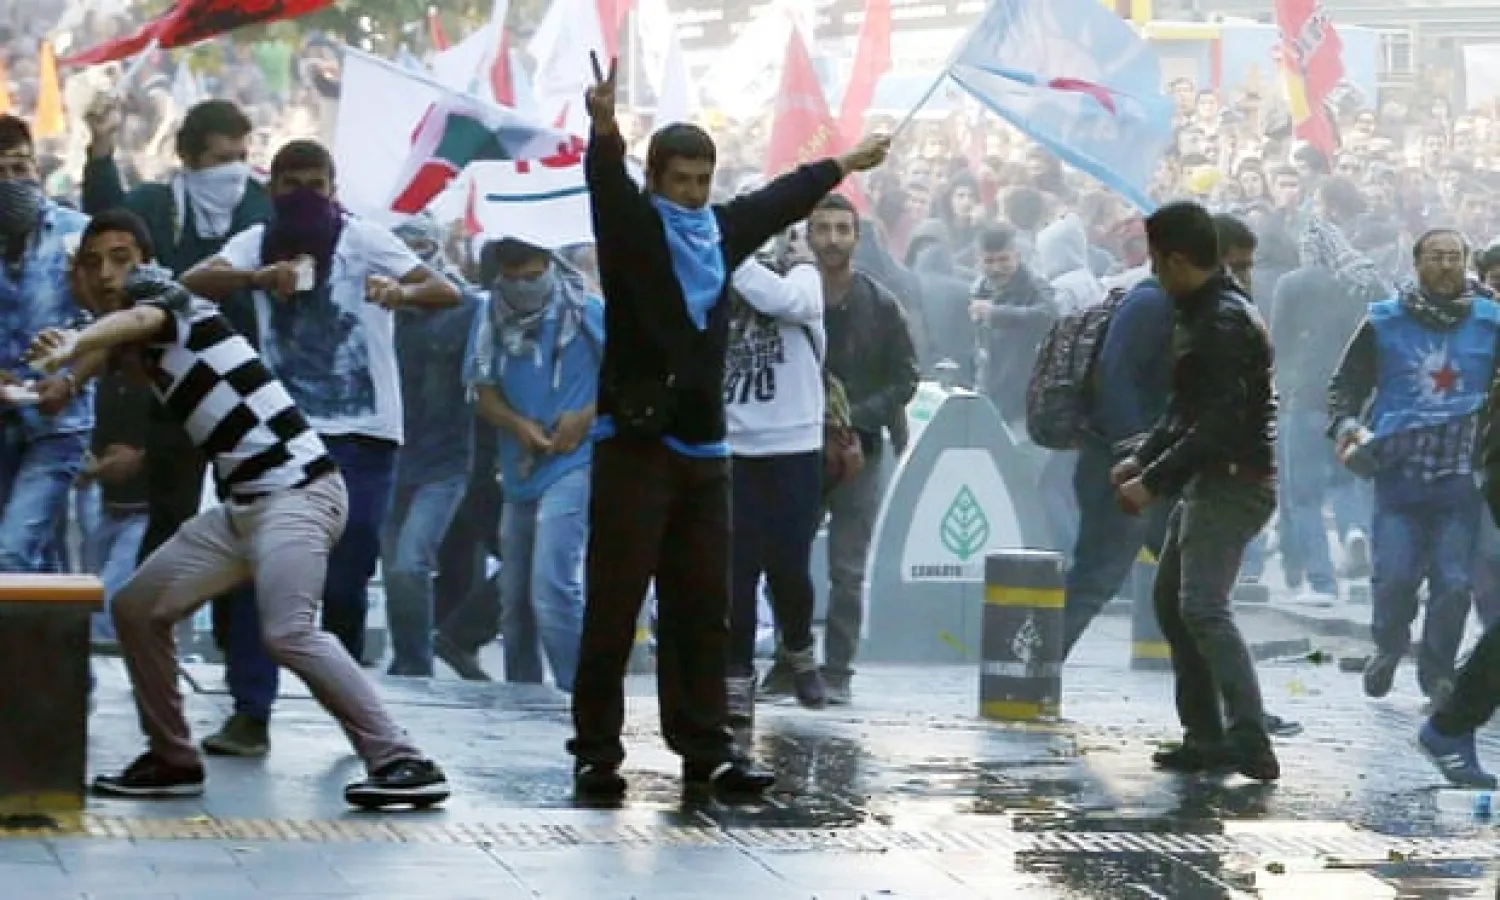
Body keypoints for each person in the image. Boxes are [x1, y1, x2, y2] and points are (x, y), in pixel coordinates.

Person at [31, 217, 448, 808]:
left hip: (300, 491)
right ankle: (172, 758)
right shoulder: (122, 334)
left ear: (146, 262)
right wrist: (59, 381)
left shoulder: (167, 295)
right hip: (243, 509)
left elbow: (136, 320)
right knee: (136, 608)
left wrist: (75, 346)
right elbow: (98, 355)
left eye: (121, 259)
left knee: (288, 631)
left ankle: (403, 759)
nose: (106, 275)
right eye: (93, 263)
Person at [567, 53, 890, 800]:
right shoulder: (631, 230)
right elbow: (603, 180)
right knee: (614, 607)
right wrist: (605, 124)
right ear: (656, 180)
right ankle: (596, 754)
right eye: (678, 179)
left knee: (701, 611)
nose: (690, 193)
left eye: (701, 180)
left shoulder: (720, 232)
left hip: (707, 451)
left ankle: (706, 750)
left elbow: (783, 197)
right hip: (635, 447)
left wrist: (845, 161)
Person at [180, 140, 460, 756]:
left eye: (315, 182)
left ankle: (349, 695)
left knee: (344, 578)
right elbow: (194, 281)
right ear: (272, 187)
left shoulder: (364, 241)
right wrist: (257, 279)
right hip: (278, 439)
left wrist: (400, 294)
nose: (303, 194)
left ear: (334, 187)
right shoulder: (256, 242)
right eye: (290, 183)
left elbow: (444, 290)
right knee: (260, 570)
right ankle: (250, 712)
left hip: (363, 437)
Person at [1114, 201, 1281, 782]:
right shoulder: (1202, 310)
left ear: (1178, 260)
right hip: (1212, 480)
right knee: (1172, 602)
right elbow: (1184, 408)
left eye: (1157, 263)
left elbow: (1218, 426)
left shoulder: (1222, 321)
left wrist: (1153, 482)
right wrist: (1143, 456)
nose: (1154, 275)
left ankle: (1249, 738)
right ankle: (1205, 734)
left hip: (1235, 483)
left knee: (1202, 606)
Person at [1327, 229, 1491, 707]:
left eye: (1455, 258)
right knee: (1395, 576)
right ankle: (1389, 644)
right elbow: (1344, 389)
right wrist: (1348, 430)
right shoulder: (1382, 321)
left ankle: (1437, 673)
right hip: (1398, 476)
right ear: (1417, 262)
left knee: (1455, 584)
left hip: (1463, 479)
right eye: (1436, 257)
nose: (1446, 266)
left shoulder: (1492, 322)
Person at [469, 238, 602, 692]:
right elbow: (481, 389)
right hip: (521, 464)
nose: (524, 286)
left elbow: (630, 378)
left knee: (552, 586)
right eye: (513, 277)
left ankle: (579, 693)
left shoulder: (586, 312)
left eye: (533, 275)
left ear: (550, 265)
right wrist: (517, 424)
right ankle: (521, 693)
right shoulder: (488, 316)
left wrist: (585, 416)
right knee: (515, 598)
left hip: (575, 458)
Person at [0, 115, 99, 571]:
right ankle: (53, 641)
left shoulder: (80, 236)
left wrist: (72, 379)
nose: (12, 181)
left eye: (20, 167)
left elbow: (112, 324)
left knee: (12, 552)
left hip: (59, 423)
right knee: (42, 553)